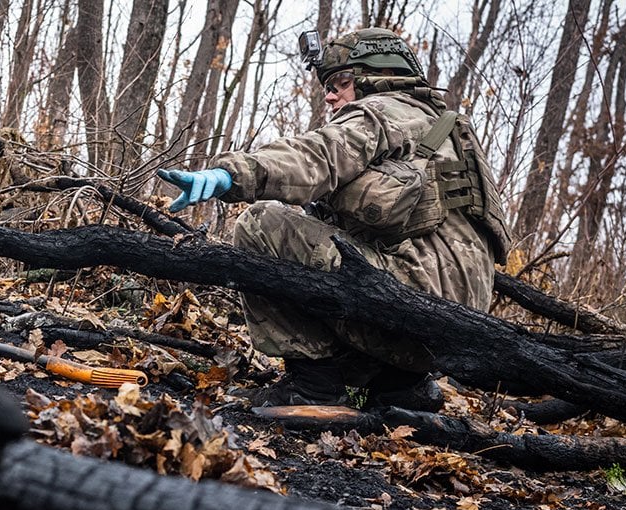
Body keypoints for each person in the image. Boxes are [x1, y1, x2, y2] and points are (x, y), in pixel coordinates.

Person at [157, 27, 512, 411]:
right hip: (454, 336)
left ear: (378, 76)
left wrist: (232, 175)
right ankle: (399, 389)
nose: (329, 95)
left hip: (408, 304)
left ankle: (313, 386)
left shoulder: (384, 112)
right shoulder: (453, 132)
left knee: (260, 224)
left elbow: (317, 156)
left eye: (341, 82)